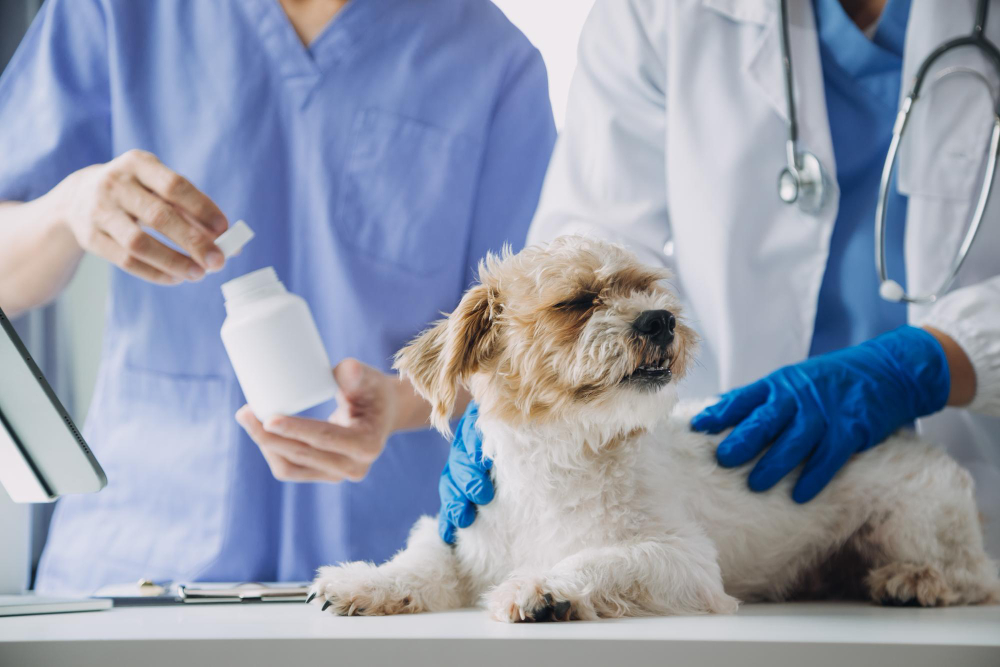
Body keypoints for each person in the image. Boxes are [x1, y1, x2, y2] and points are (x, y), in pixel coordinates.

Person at [0, 0, 555, 595]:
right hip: (139, 558)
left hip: (388, 577)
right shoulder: (113, 13)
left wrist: (397, 405)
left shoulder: (492, 59)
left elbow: (525, 354)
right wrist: (67, 209)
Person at [440, 0, 1000, 559]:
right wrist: (515, 398)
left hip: (975, 469)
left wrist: (933, 361)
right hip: (731, 491)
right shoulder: (652, 12)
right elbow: (593, 244)